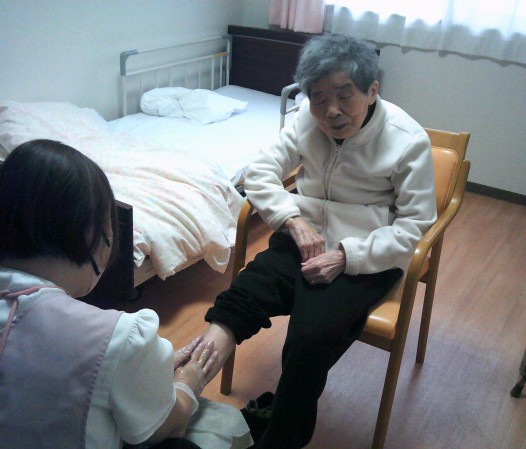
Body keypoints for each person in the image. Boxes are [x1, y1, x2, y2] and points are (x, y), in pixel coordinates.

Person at [201, 34, 438, 448]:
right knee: (239, 299)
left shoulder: (407, 140)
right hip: (302, 240)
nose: (331, 111)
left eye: (344, 95)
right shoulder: (305, 121)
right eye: (318, 97)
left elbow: (415, 225)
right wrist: (292, 221)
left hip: (366, 257)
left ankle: (282, 438)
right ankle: (183, 390)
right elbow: (259, 172)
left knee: (309, 341)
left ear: (372, 90)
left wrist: (346, 257)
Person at [0, 139, 253, 449]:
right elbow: (162, 428)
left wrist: (145, 367)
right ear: (94, 234)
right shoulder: (116, 337)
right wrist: (188, 381)